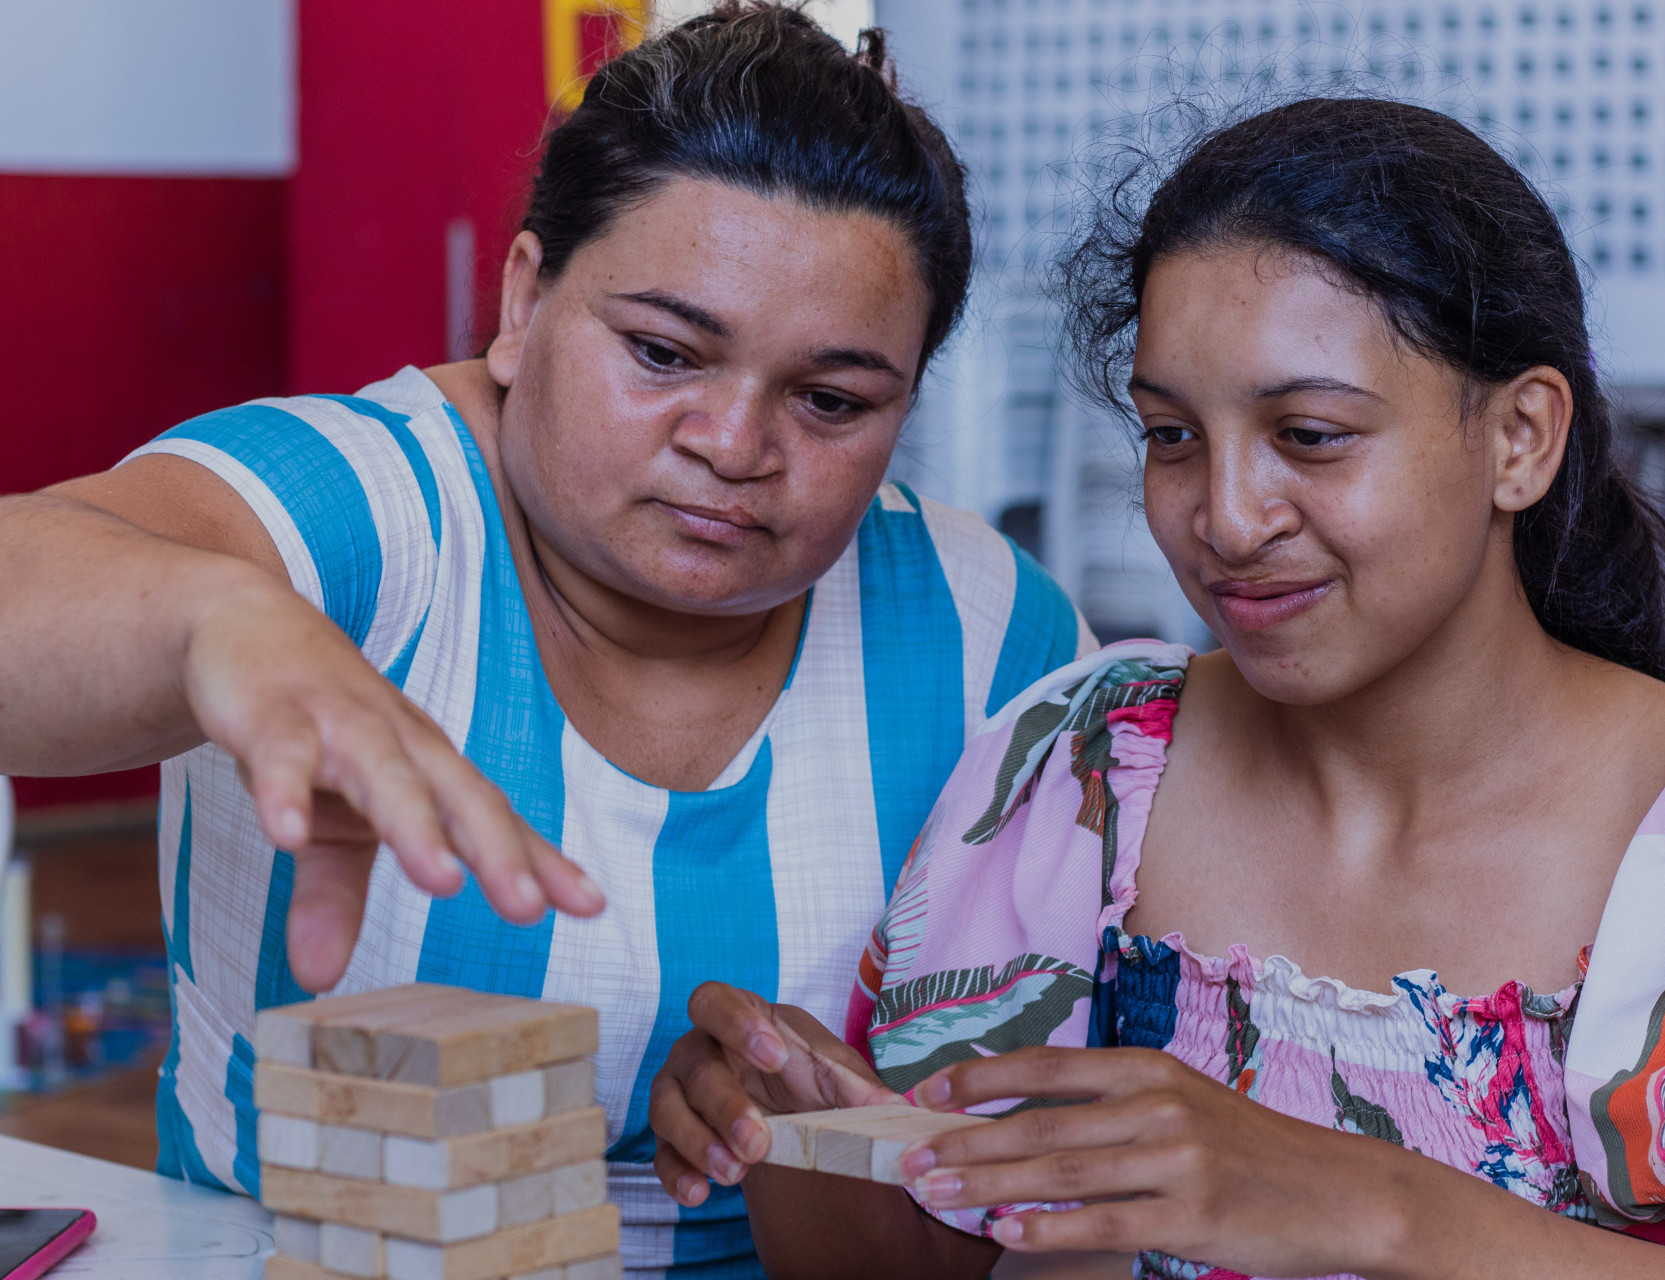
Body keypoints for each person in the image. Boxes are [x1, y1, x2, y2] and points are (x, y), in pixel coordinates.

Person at [649, 98, 1665, 1279]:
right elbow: (929, 1259)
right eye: (1172, 435)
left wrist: (1373, 1200)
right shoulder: (1082, 766)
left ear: (1521, 438)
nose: (1226, 517)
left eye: (1310, 436)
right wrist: (794, 1131)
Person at [0, 5, 1089, 1273]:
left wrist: (834, 1124)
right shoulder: (358, 508)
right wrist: (216, 617)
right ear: (523, 301)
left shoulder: (988, 629)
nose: (734, 444)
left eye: (832, 400)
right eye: (663, 352)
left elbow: (1014, 1190)